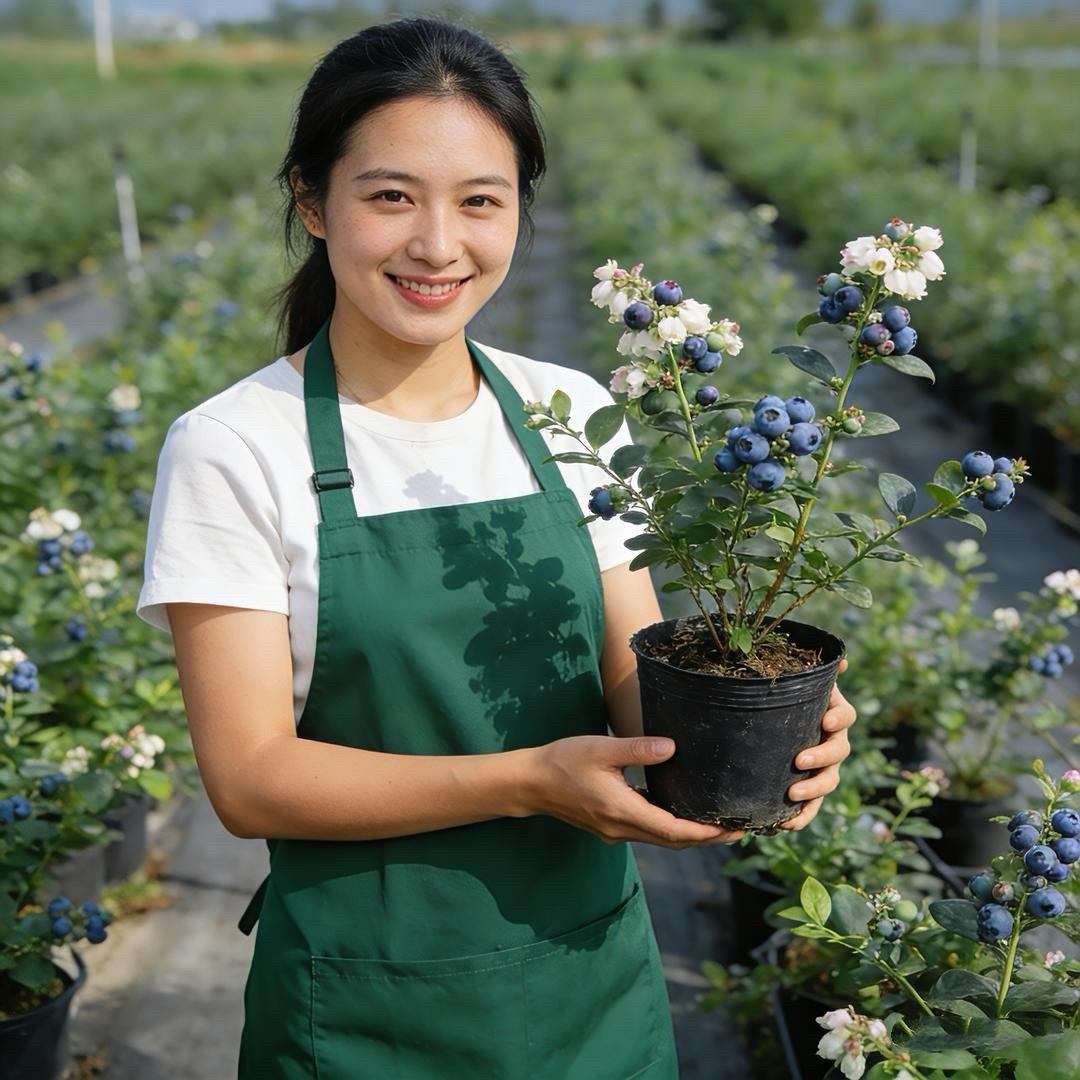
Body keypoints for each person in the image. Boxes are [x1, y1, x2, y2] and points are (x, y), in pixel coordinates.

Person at [136, 16, 856, 1079]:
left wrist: (760, 727)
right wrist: (529, 781)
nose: (439, 245)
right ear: (312, 202)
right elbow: (251, 780)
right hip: (365, 1011)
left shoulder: (569, 411)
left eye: (481, 200)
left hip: (590, 992)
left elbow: (635, 678)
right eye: (392, 196)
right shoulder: (236, 445)